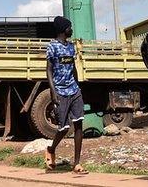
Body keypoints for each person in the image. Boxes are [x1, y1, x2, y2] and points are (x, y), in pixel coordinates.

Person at [44, 15, 87, 174]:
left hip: (74, 90)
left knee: (78, 124)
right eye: (70, 27)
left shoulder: (71, 47)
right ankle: (51, 148)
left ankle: (76, 164)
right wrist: (53, 92)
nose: (72, 30)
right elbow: (48, 70)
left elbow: (74, 67)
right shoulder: (52, 47)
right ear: (63, 29)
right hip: (60, 91)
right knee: (63, 128)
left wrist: (78, 85)